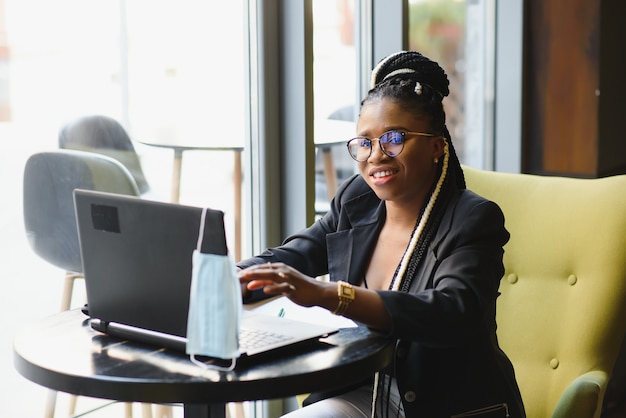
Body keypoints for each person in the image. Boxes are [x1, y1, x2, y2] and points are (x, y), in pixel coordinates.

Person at [238, 50, 525, 418]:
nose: (376, 156)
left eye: (394, 138)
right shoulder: (356, 200)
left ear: (436, 146)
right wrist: (233, 275)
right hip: (359, 390)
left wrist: (330, 294)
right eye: (365, 142)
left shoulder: (472, 219)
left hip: (441, 405)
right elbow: (295, 254)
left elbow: (452, 312)